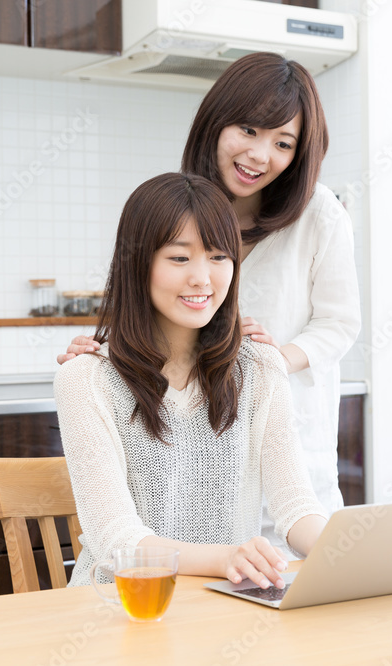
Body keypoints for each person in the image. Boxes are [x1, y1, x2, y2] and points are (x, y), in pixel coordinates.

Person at [58, 53, 361, 551]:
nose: (261, 155)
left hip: (277, 439)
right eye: (248, 130)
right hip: (170, 566)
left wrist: (264, 361)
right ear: (216, 123)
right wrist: (111, 357)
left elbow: (340, 323)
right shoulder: (183, 202)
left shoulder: (318, 215)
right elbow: (119, 537)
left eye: (283, 143)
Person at [55, 172, 327, 590]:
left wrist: (347, 549)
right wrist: (227, 559)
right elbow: (117, 541)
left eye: (219, 257)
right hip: (122, 612)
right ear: (137, 264)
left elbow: (294, 506)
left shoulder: (260, 368)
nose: (203, 278)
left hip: (226, 607)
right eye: (180, 258)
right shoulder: (86, 378)